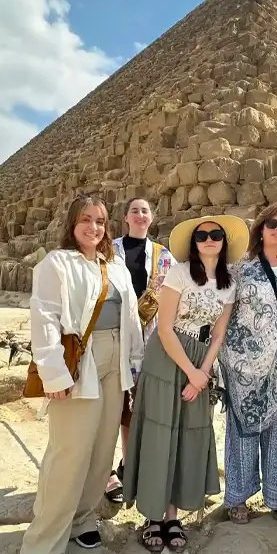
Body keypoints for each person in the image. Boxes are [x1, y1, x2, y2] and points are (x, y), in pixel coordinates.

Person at [19, 194, 144, 554]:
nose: (94, 227)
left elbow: (132, 320)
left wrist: (134, 368)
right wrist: (54, 375)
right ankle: (42, 544)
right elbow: (45, 318)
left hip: (114, 361)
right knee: (70, 450)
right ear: (72, 223)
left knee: (103, 446)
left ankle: (82, 518)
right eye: (86, 220)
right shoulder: (56, 263)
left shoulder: (115, 266)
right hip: (79, 362)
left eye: (101, 221)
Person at [122, 214, 246, 553]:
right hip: (168, 356)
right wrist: (192, 372)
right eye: (202, 234)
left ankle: (173, 515)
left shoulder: (229, 283)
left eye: (215, 234)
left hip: (201, 359)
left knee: (186, 435)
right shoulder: (178, 273)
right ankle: (152, 516)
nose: (208, 239)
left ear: (224, 241)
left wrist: (203, 371)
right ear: (194, 242)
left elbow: (219, 332)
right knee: (160, 434)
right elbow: (164, 328)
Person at [220, 203, 277, 524]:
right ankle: (237, 498)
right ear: (260, 227)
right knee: (242, 431)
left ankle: (275, 495)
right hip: (244, 365)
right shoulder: (241, 269)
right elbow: (223, 315)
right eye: (272, 224)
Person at [106, 197, 177, 504]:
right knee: (112, 405)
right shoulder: (108, 250)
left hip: (149, 341)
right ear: (125, 218)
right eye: (134, 210)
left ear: (152, 218)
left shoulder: (164, 257)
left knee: (135, 408)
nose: (139, 215)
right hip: (113, 336)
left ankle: (128, 464)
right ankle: (106, 474)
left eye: (145, 211)